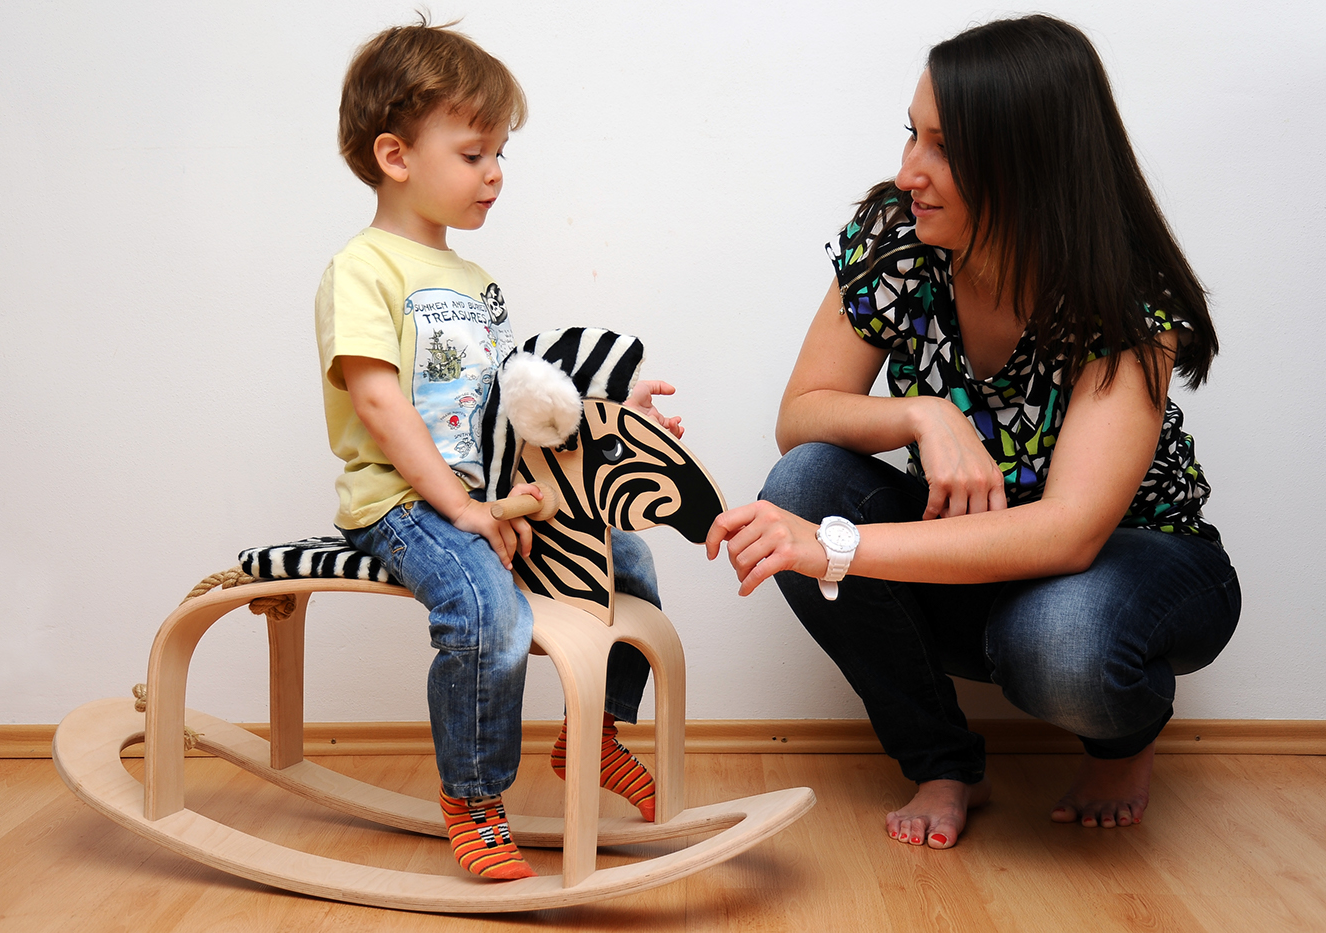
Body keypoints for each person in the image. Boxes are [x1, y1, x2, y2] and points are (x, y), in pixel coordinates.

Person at [706, 15, 1240, 850]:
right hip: (977, 560)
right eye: (911, 134)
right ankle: (943, 762)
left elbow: (1068, 532)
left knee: (1058, 639)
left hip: (1131, 562)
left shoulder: (1124, 294)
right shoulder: (900, 236)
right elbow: (801, 414)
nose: (908, 172)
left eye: (944, 148)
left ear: (1029, 163)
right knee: (804, 483)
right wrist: (925, 413)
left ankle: (1124, 740)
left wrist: (836, 547)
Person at [316, 19, 677, 880]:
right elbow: (379, 403)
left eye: (500, 154)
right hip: (405, 503)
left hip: (489, 493)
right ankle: (474, 798)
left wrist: (609, 421)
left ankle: (595, 733)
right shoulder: (363, 270)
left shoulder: (478, 285)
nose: (496, 173)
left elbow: (515, 405)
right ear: (397, 157)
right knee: (488, 612)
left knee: (626, 559)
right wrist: (461, 507)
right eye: (474, 153)